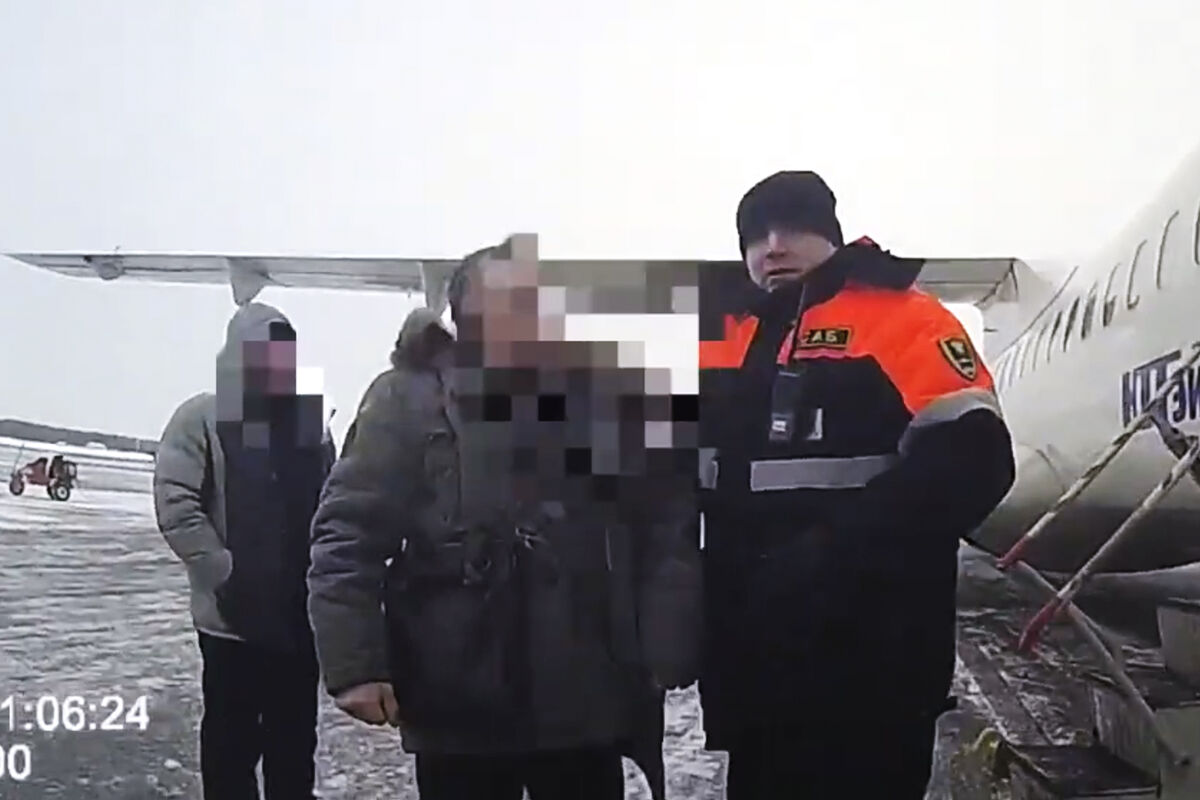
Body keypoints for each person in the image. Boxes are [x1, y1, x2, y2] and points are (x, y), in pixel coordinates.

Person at [306, 240, 702, 800]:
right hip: (456, 693)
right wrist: (355, 664)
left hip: (583, 693)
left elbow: (664, 524)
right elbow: (348, 531)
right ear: (466, 313)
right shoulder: (407, 398)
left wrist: (668, 636)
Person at [697, 171, 1016, 799]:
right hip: (755, 669)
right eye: (756, 235)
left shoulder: (904, 319)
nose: (773, 246)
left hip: (871, 668)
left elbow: (977, 460)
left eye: (793, 227)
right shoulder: (723, 336)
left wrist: (831, 550)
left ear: (832, 236)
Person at [153, 302, 332, 800]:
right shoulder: (202, 416)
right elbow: (176, 503)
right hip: (231, 619)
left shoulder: (310, 422)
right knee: (230, 743)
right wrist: (224, 572)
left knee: (294, 743)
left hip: (297, 618)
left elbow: (330, 504)